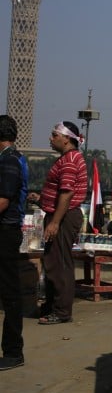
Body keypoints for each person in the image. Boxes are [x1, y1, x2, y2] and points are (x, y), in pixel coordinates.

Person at [38, 121, 88, 326]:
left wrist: (55, 222)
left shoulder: (69, 160)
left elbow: (66, 193)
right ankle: (53, 307)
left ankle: (61, 311)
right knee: (55, 261)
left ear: (66, 138)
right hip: (62, 214)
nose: (51, 139)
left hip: (64, 216)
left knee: (59, 264)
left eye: (54, 135)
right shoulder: (70, 158)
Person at [0, 115, 29, 367]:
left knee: (9, 291)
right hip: (8, 230)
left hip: (6, 231)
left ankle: (13, 352)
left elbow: (3, 200)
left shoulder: (8, 161)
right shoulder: (13, 158)